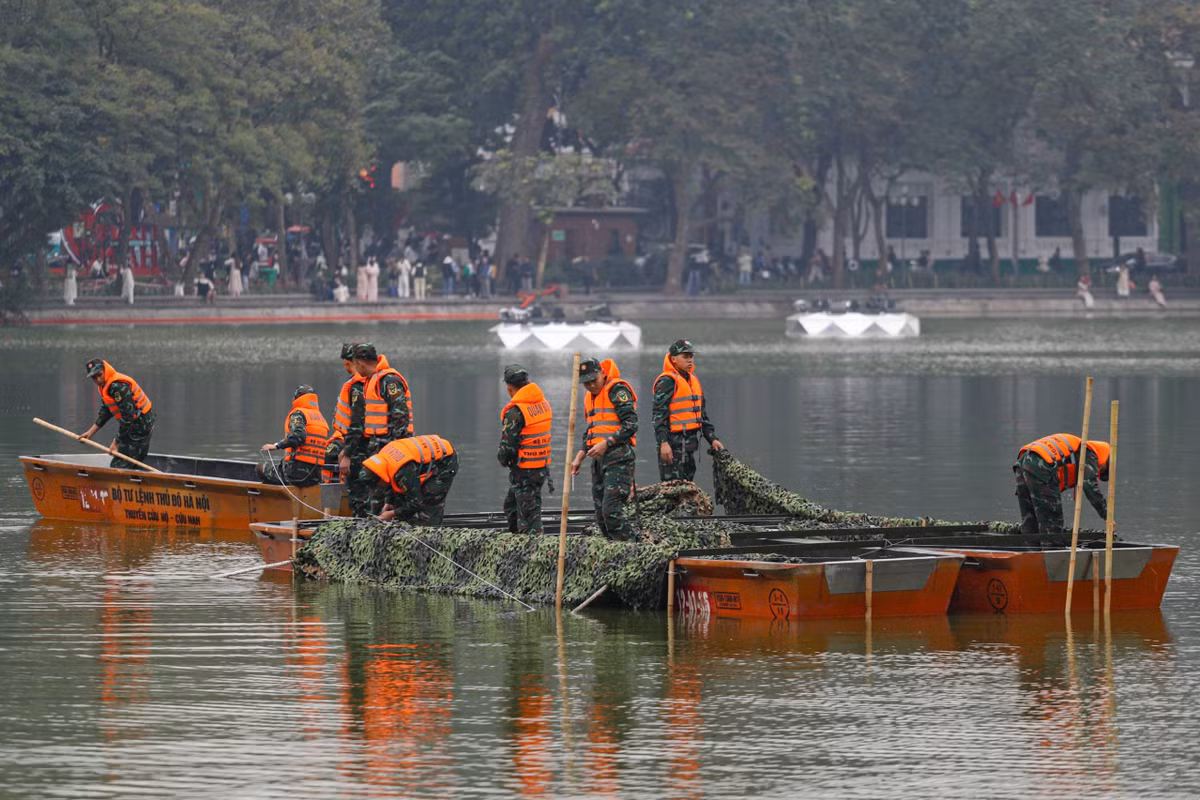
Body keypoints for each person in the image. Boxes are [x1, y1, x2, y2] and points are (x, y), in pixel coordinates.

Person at [570, 357, 638, 541]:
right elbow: (593, 430)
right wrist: (580, 456)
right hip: (599, 461)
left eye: (594, 379)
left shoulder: (617, 390)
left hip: (619, 458)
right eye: (586, 382)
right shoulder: (589, 398)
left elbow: (631, 425)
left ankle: (631, 548)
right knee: (600, 515)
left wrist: (606, 443)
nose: (591, 385)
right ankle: (613, 548)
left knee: (611, 510)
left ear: (602, 373)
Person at [343, 343, 413, 516]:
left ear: (361, 363)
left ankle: (383, 525)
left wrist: (396, 448)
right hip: (377, 445)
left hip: (391, 447)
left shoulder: (389, 381)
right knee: (375, 489)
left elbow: (400, 416)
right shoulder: (371, 381)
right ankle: (374, 524)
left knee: (389, 490)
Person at [652, 339, 724, 482]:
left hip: (689, 446)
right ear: (673, 359)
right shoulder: (667, 381)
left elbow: (701, 416)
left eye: (691, 356)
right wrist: (663, 443)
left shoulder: (693, 381)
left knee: (687, 490)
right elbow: (658, 416)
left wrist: (712, 439)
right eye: (685, 357)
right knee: (673, 492)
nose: (690, 360)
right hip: (672, 446)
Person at [1013, 433, 1110, 535]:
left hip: (1022, 462)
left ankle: (1031, 549)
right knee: (1052, 521)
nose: (1097, 470)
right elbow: (1089, 486)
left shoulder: (1077, 449)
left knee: (1030, 519)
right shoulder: (1090, 454)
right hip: (1041, 464)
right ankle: (1052, 549)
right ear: (1104, 461)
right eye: (1101, 470)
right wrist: (1107, 516)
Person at [497, 364, 553, 534]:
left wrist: (503, 459)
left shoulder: (516, 411)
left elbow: (508, 446)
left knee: (529, 517)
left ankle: (533, 551)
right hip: (540, 466)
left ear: (509, 387)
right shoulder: (542, 403)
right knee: (512, 505)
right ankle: (517, 541)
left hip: (525, 468)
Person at [363, 434, 459, 525]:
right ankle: (408, 525)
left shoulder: (403, 472)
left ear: (380, 477)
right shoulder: (385, 461)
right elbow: (392, 484)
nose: (379, 487)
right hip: (423, 459)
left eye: (377, 485)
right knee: (402, 498)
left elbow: (416, 502)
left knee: (430, 498)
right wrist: (389, 502)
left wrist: (392, 513)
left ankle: (431, 530)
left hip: (446, 461)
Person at [78, 359, 156, 469]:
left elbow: (128, 417)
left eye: (99, 375)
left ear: (105, 370)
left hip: (140, 426)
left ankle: (125, 484)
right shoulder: (104, 385)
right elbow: (107, 409)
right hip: (134, 425)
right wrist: (91, 432)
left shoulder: (117, 387)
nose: (98, 379)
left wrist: (116, 442)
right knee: (133, 461)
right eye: (94, 377)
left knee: (119, 466)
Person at [258, 385, 329, 487]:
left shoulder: (298, 414)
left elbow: (298, 436)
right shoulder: (319, 418)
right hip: (315, 476)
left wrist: (277, 446)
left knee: (260, 468)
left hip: (296, 475)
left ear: (297, 398)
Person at [324, 342, 363, 484]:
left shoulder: (358, 385)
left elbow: (357, 421)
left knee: (327, 455)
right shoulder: (356, 382)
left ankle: (330, 497)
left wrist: (348, 451)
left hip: (352, 439)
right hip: (345, 437)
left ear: (348, 362)